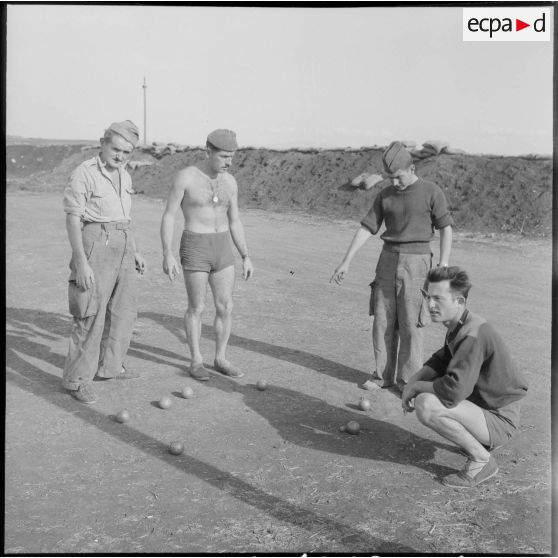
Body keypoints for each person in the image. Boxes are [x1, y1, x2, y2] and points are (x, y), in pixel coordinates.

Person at [331, 141, 453, 393]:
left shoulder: (432, 192)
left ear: (412, 167)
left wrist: (443, 262)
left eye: (398, 177)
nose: (394, 183)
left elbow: (445, 228)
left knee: (411, 323)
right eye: (389, 178)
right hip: (387, 262)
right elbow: (367, 228)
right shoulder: (384, 195)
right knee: (383, 322)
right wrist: (346, 261)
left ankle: (409, 380)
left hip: (417, 264)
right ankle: (382, 375)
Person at [402, 266, 527, 488]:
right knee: (426, 391)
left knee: (426, 404)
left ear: (459, 301)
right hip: (488, 408)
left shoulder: (471, 333)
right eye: (428, 297)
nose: (430, 305)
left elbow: (452, 392)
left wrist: (417, 387)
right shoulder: (460, 323)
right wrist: (412, 382)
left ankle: (482, 460)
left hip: (500, 419)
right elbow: (441, 360)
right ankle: (481, 442)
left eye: (438, 299)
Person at [62, 120, 146, 404]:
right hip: (95, 243)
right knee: (90, 314)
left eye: (127, 152)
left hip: (123, 243)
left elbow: (124, 217)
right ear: (103, 143)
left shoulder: (125, 174)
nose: (121, 156)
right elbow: (73, 218)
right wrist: (81, 262)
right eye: (116, 149)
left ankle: (110, 367)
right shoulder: (84, 173)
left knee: (123, 311)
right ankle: (76, 380)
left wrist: (133, 252)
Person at [160, 129, 254, 381]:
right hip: (195, 244)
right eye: (224, 156)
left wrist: (245, 255)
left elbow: (235, 221)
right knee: (197, 307)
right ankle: (196, 360)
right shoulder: (186, 178)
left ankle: (220, 357)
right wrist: (167, 253)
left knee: (226, 306)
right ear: (208, 152)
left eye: (232, 157)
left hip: (222, 246)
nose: (229, 162)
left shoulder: (230, 182)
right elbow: (169, 215)